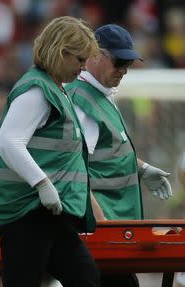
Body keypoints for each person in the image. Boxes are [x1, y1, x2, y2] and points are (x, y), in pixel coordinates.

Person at [0, 16, 100, 287]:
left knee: (86, 278)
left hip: (48, 213)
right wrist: (42, 183)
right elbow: (8, 142)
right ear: (61, 53)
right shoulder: (37, 91)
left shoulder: (54, 88)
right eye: (79, 59)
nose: (83, 67)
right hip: (28, 213)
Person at [65, 24, 173, 287]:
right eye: (119, 62)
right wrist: (100, 226)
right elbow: (72, 169)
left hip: (112, 233)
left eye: (129, 63)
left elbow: (104, 153)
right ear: (94, 54)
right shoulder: (82, 101)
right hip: (102, 235)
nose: (124, 70)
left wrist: (142, 167)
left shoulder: (100, 95)